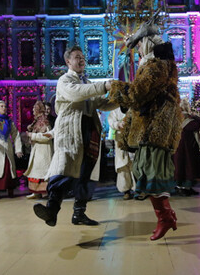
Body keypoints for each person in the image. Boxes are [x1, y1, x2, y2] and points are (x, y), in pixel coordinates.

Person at [108, 18, 184, 240]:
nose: (138, 49)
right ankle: (166, 215)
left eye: (140, 44)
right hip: (149, 129)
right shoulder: (153, 64)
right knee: (146, 172)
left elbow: (138, 93)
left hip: (155, 129)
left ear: (148, 42)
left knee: (152, 174)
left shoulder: (157, 66)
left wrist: (113, 86)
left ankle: (165, 217)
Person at [32, 45, 116, 227]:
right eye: (77, 57)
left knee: (86, 172)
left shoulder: (87, 82)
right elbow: (77, 93)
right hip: (71, 131)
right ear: (68, 61)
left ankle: (79, 213)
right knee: (64, 169)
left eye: (83, 57)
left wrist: (122, 99)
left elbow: (101, 103)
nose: (82, 59)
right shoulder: (65, 80)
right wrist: (104, 86)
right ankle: (51, 210)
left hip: (89, 129)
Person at [23, 100, 54, 199]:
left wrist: (33, 135)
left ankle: (45, 192)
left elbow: (47, 136)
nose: (33, 110)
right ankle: (36, 192)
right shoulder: (37, 120)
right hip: (37, 150)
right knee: (35, 171)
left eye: (34, 108)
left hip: (43, 151)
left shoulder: (44, 121)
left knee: (42, 172)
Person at [173, 99, 200, 196]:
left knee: (183, 166)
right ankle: (181, 187)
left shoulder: (177, 118)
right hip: (185, 147)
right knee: (185, 166)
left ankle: (186, 187)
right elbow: (196, 124)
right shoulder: (188, 120)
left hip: (183, 147)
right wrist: (195, 117)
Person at [106, 107, 136, 200]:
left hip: (133, 138)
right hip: (120, 139)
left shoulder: (134, 107)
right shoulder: (115, 109)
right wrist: (118, 124)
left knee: (134, 164)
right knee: (122, 165)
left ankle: (138, 189)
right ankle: (126, 191)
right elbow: (111, 121)